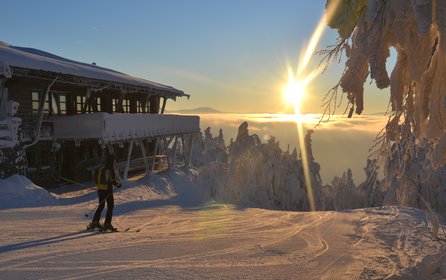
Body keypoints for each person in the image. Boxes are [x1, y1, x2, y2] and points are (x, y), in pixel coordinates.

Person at [87, 153, 121, 231]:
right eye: (113, 161)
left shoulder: (102, 167)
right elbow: (109, 180)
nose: (114, 162)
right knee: (110, 206)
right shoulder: (109, 168)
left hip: (100, 190)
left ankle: (95, 222)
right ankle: (107, 223)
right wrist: (117, 184)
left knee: (101, 205)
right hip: (107, 190)